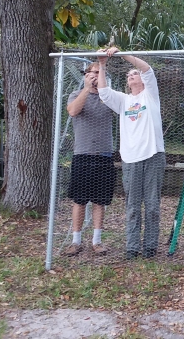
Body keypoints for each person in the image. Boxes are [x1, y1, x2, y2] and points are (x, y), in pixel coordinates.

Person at [97, 47, 166, 259]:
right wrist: (101, 63)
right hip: (130, 158)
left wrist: (121, 54)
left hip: (153, 155)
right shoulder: (124, 101)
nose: (131, 75)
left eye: (133, 73)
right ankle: (132, 247)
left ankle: (150, 247)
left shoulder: (150, 95)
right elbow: (104, 92)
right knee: (133, 206)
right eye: (128, 75)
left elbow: (147, 69)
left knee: (152, 205)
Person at [65, 61, 116, 256]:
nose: (95, 76)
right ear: (85, 75)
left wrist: (102, 89)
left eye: (100, 72)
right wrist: (86, 89)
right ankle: (76, 241)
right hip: (82, 155)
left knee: (99, 201)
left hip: (104, 155)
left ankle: (97, 241)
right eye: (92, 73)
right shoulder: (76, 95)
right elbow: (72, 111)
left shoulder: (108, 97)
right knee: (79, 200)